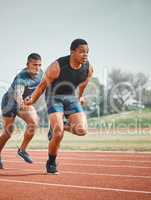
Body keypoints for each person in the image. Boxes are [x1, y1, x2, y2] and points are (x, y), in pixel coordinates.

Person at [24, 39, 94, 174]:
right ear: (72, 52)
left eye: (87, 52)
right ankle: (51, 162)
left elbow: (84, 83)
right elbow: (42, 86)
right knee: (58, 133)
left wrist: (80, 96)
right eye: (81, 52)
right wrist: (32, 100)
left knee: (82, 130)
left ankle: (58, 126)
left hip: (70, 97)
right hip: (53, 97)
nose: (85, 55)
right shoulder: (57, 66)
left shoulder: (88, 68)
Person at [0, 53, 43, 169]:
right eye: (34, 65)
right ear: (27, 65)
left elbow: (44, 86)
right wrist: (22, 103)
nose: (37, 68)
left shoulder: (41, 74)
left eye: (39, 65)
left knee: (34, 123)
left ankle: (22, 150)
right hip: (9, 104)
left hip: (25, 102)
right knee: (8, 132)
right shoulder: (21, 77)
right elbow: (18, 93)